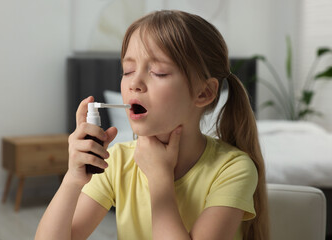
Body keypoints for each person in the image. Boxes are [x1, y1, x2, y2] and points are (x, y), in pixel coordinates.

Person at [35, 10, 269, 240]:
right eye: (128, 70)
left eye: (158, 72)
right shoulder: (116, 162)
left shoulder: (233, 169)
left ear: (204, 92)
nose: (134, 83)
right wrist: (72, 180)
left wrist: (160, 179)